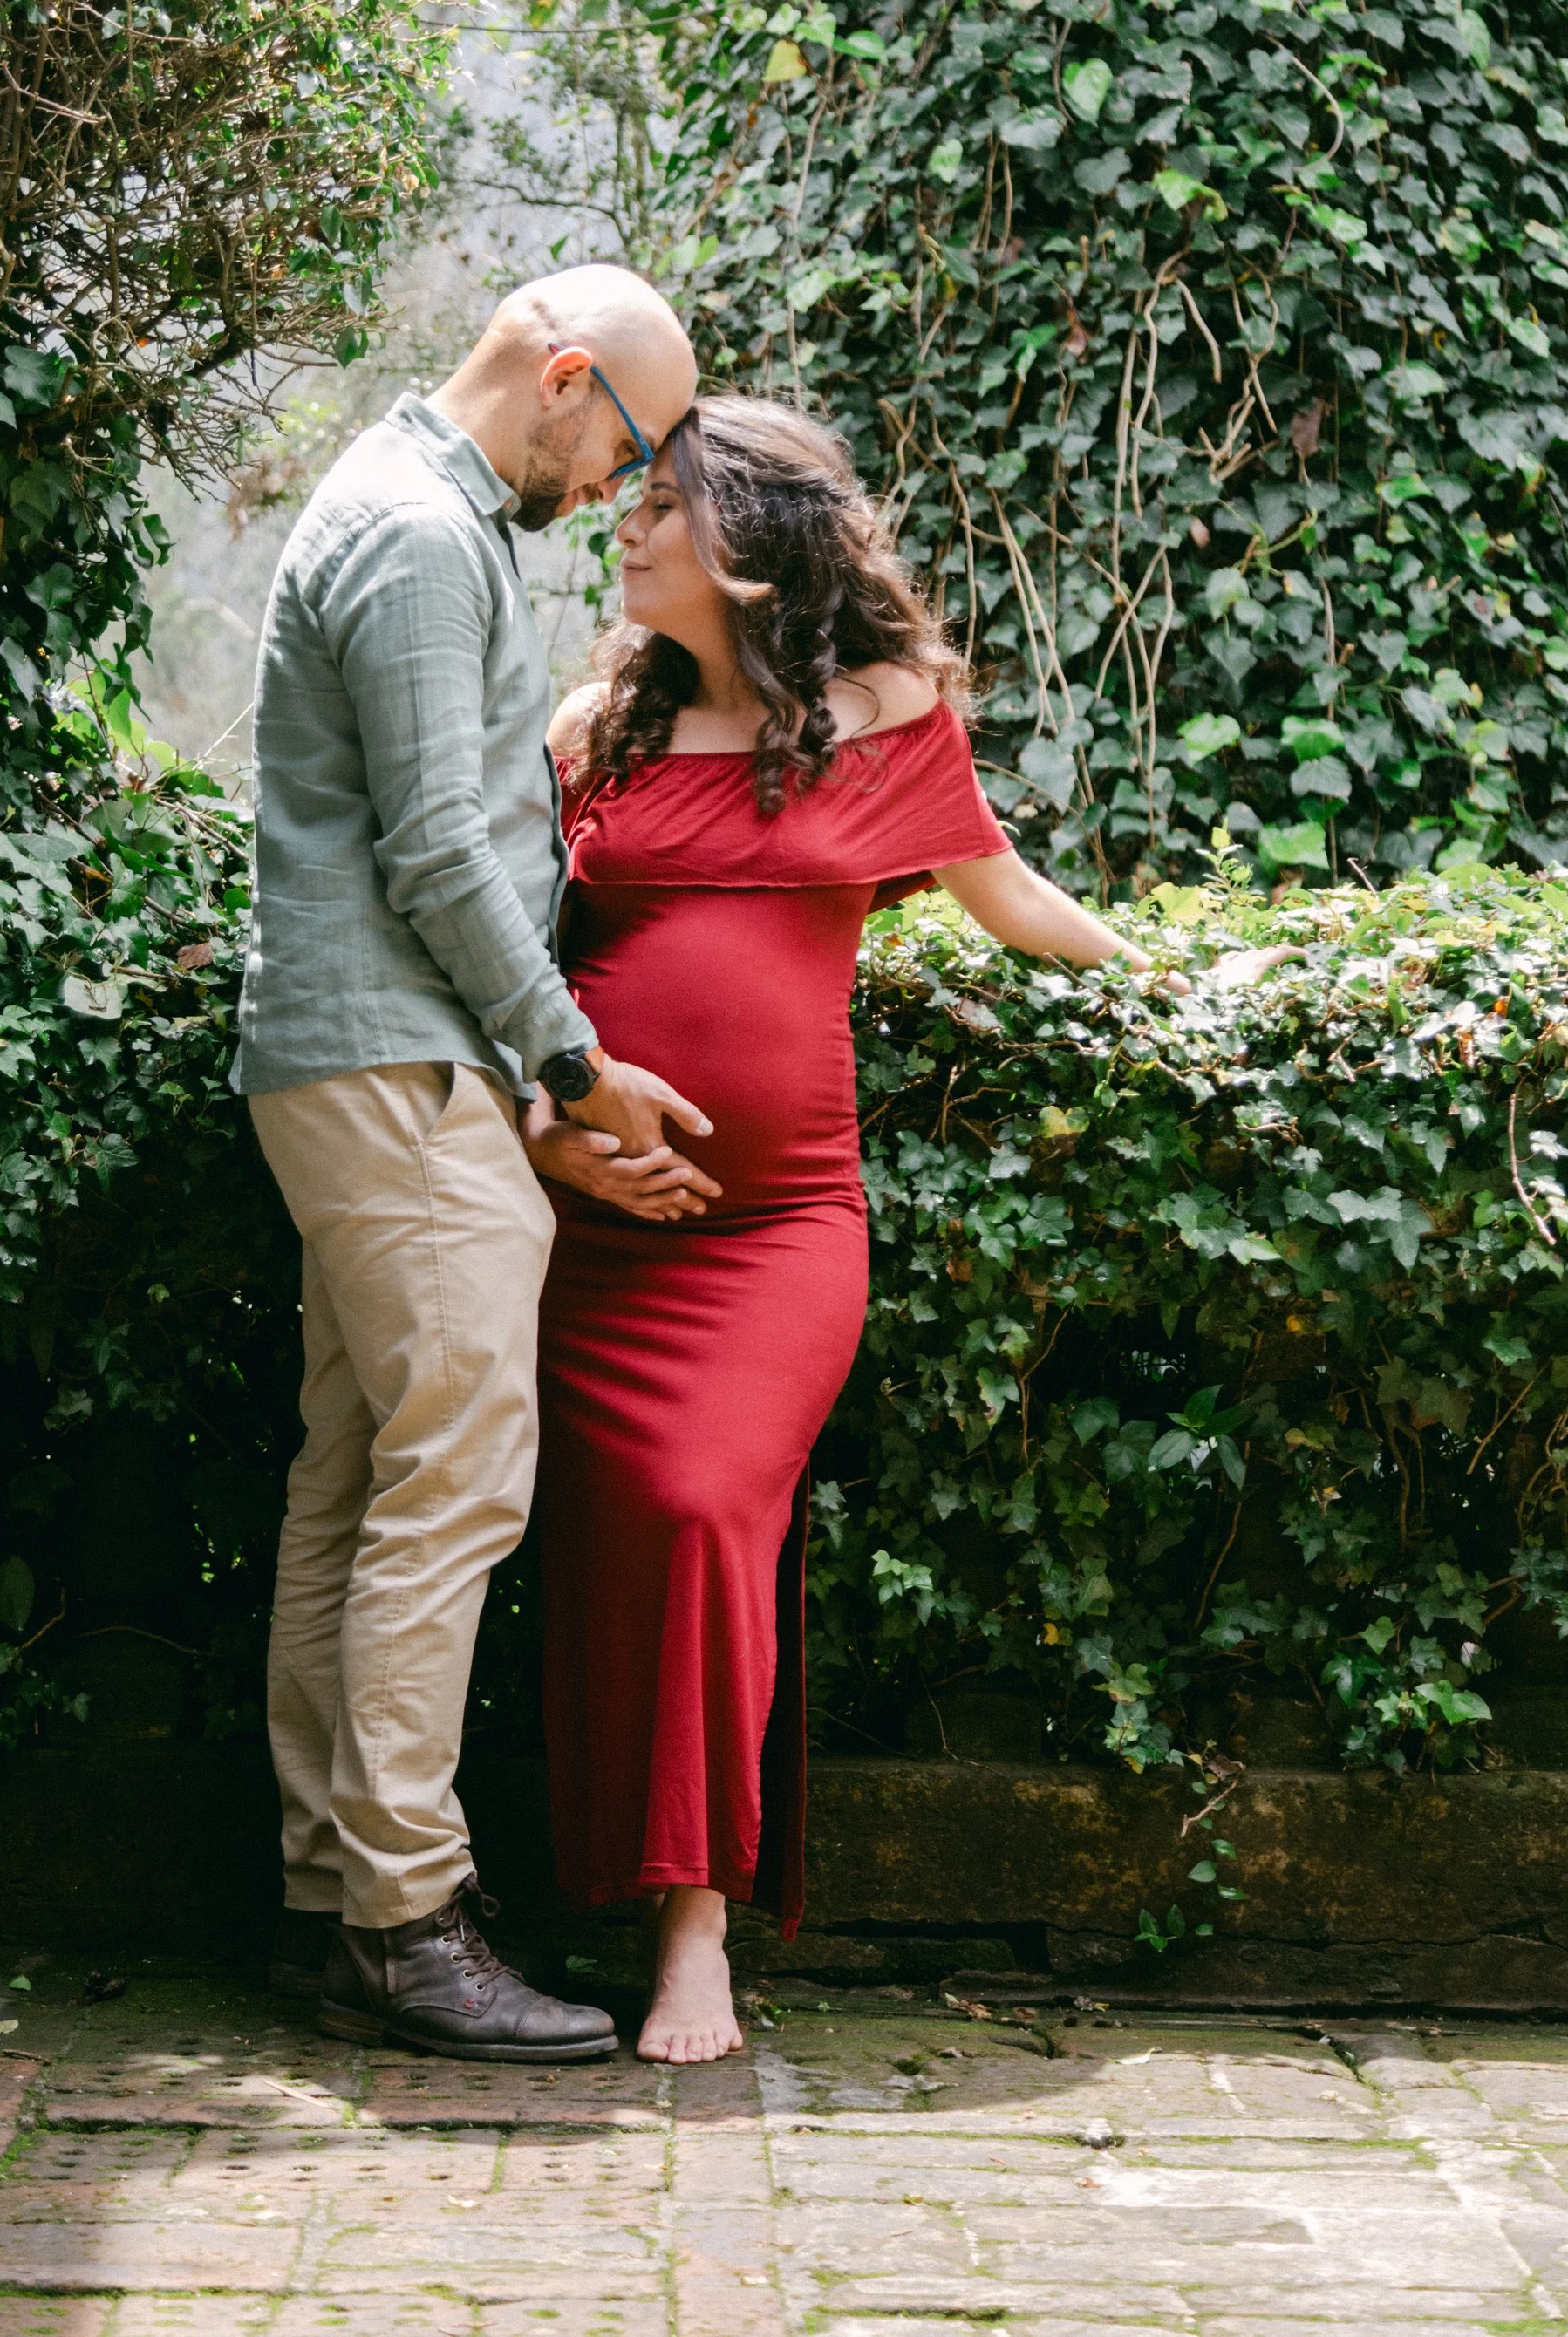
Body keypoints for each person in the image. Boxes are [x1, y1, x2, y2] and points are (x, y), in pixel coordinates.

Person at [526, 399, 1253, 2066]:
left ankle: (695, 1923)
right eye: (627, 502)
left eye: (659, 503)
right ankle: (604, 1882)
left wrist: (1191, 992)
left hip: (780, 1230)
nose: (624, 528)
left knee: (710, 1501)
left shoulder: (885, 714)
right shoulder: (591, 733)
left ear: (756, 539)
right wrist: (560, 1139)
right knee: (610, 1531)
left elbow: (1005, 895)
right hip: (596, 1227)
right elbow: (507, 954)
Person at [236, 265, 709, 2064]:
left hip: (352, 1056)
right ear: (564, 376)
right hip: (404, 1067)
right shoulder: (424, 539)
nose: (616, 491)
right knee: (452, 1484)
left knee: (357, 1478)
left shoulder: (390, 507)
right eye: (629, 448)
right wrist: (571, 1066)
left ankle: (326, 1895)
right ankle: (401, 1921)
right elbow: (441, 847)